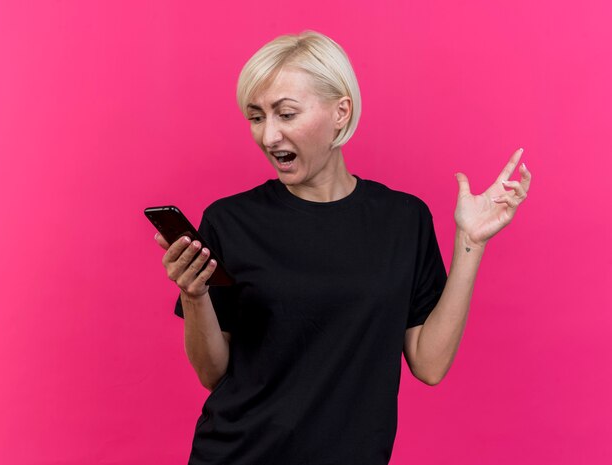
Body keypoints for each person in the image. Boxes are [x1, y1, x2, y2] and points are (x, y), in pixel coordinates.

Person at [153, 31, 532, 465]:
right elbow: (211, 373)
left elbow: (429, 364)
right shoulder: (230, 221)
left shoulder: (403, 220)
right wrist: (194, 294)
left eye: (286, 113)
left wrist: (471, 242)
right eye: (256, 117)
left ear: (340, 112)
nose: (269, 135)